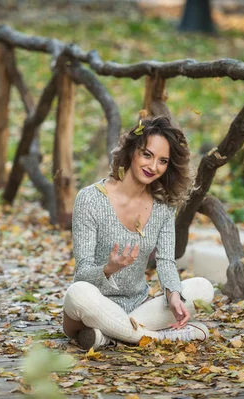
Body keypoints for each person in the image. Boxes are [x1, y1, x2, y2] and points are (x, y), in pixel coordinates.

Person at [63, 115, 215, 350]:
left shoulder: (163, 206)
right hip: (91, 306)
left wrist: (174, 295)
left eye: (163, 161)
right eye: (147, 155)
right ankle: (159, 337)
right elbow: (82, 273)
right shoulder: (90, 198)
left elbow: (165, 261)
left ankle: (109, 336)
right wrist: (109, 268)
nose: (153, 167)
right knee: (77, 292)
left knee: (203, 288)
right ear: (132, 151)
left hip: (138, 307)